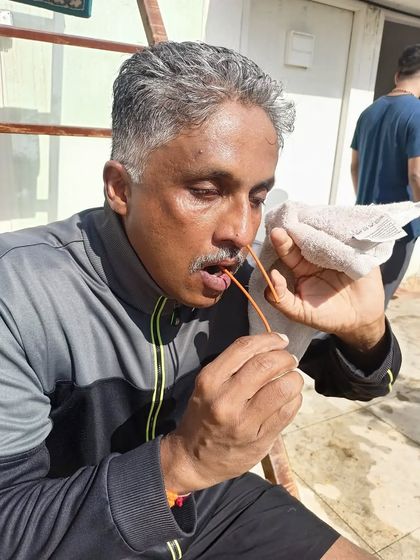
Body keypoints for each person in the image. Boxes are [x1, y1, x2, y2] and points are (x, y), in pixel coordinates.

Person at [0, 41, 401, 560]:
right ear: (120, 188)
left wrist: (364, 331)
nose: (241, 231)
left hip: (209, 503)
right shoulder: (19, 295)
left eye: (257, 197)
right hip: (76, 526)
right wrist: (182, 462)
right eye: (207, 191)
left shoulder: (256, 277)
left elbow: (363, 385)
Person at [351, 43, 420, 307]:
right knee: (378, 302)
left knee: (359, 294)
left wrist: (364, 201)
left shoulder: (368, 113)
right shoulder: (417, 114)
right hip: (399, 225)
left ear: (397, 75)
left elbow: (354, 166)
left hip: (366, 219)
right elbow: (416, 174)